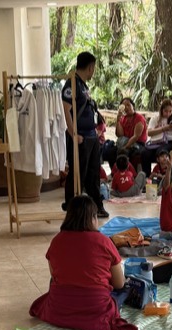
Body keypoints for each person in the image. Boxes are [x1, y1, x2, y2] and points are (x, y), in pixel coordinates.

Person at [28, 196, 138, 330]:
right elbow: (119, 283)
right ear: (93, 218)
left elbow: (54, 275)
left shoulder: (56, 241)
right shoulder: (103, 241)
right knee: (125, 289)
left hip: (60, 307)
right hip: (96, 307)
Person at [61, 52, 106, 218]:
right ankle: (72, 206)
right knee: (77, 173)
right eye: (93, 68)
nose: (93, 71)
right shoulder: (71, 84)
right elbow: (66, 110)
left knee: (94, 172)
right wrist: (74, 134)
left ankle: (96, 205)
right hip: (79, 137)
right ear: (90, 67)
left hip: (91, 135)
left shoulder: (83, 85)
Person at [141, 98, 172, 174]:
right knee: (144, 153)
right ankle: (147, 176)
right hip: (155, 142)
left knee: (161, 152)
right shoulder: (155, 118)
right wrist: (163, 128)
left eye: (170, 111)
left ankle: (163, 175)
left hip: (169, 142)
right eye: (166, 111)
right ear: (161, 110)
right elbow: (149, 133)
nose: (168, 114)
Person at [106, 96, 147, 173]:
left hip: (138, 143)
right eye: (124, 106)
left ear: (133, 106)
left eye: (128, 105)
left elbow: (136, 136)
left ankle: (130, 175)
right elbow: (119, 134)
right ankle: (115, 174)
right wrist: (118, 120)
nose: (126, 107)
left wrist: (125, 147)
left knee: (127, 152)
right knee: (110, 152)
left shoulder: (139, 118)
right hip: (125, 142)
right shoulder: (123, 118)